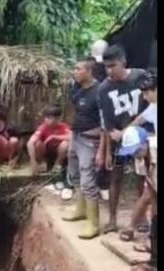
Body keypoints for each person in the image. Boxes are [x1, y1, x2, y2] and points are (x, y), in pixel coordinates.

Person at [98, 45, 148, 234]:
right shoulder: (104, 89)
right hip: (120, 143)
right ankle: (112, 219)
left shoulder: (140, 77)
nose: (109, 70)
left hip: (142, 139)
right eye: (106, 67)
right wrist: (108, 150)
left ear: (123, 62)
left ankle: (142, 216)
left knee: (141, 177)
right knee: (115, 177)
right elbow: (107, 124)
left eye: (113, 65)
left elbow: (150, 107)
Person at [61, 57, 104, 239]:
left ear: (89, 71)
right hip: (76, 136)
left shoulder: (99, 91)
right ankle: (81, 209)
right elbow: (74, 114)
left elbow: (105, 124)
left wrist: (102, 150)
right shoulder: (76, 88)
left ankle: (93, 224)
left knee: (88, 181)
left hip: (90, 140)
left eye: (79, 69)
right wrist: (71, 138)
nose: (75, 71)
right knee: (76, 176)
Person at [128, 73, 157, 271]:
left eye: (147, 93)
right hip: (154, 160)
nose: (145, 97)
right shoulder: (153, 107)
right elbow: (139, 120)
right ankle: (154, 257)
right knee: (154, 209)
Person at [27, 104, 71, 176]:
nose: (47, 120)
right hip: (46, 153)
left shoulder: (63, 126)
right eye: (46, 117)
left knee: (66, 144)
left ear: (57, 119)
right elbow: (30, 143)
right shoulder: (43, 127)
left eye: (50, 118)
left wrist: (54, 136)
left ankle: (57, 165)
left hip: (59, 154)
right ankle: (43, 163)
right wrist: (33, 161)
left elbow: (72, 137)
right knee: (37, 143)